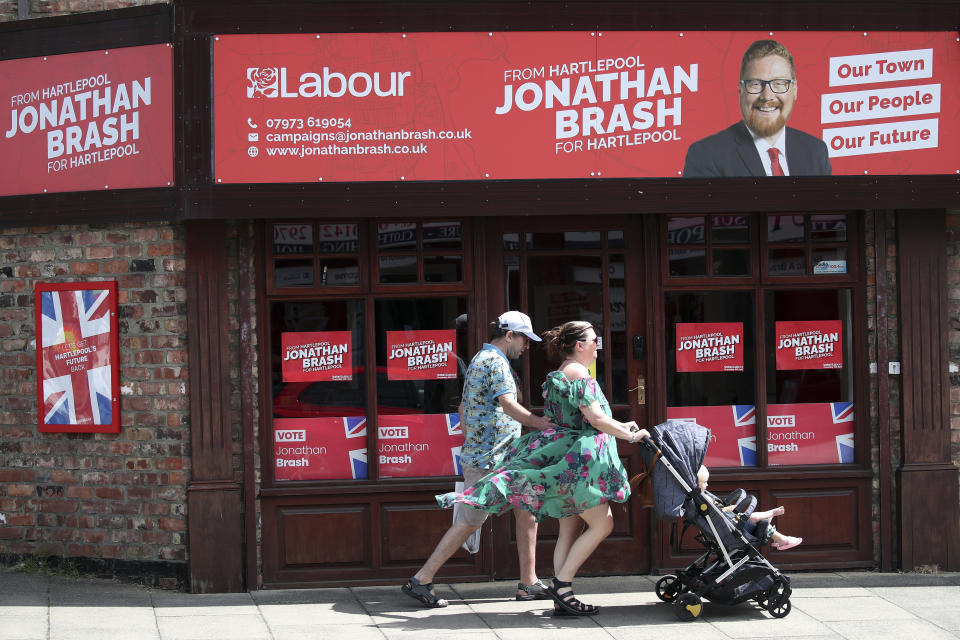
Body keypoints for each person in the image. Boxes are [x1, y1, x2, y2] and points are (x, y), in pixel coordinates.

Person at [438, 320, 651, 616]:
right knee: (604, 524)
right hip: (581, 462)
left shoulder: (560, 373)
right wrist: (630, 435)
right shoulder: (580, 375)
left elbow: (585, 417)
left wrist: (622, 425)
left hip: (566, 457)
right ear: (580, 345)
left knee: (570, 525)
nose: (597, 345)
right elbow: (595, 419)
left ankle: (560, 593)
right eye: (594, 340)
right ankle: (562, 586)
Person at [402, 311, 557, 608]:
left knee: (527, 511)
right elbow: (509, 406)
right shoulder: (496, 362)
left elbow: (462, 408)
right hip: (490, 459)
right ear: (509, 335)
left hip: (502, 455)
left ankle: (528, 582)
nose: (527, 346)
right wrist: (540, 424)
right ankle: (421, 580)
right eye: (524, 339)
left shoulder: (479, 359)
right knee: (470, 520)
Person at [683, 39, 832, 177]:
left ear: (795, 90)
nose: (767, 96)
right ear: (741, 91)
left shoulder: (816, 151)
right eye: (755, 84)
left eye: (779, 83)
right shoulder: (706, 156)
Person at [697, 465, 803, 550]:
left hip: (728, 525)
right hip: (730, 529)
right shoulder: (704, 499)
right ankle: (774, 517)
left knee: (759, 522)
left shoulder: (700, 498)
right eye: (704, 482)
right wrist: (729, 509)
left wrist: (729, 508)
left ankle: (781, 538)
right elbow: (717, 512)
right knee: (754, 518)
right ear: (697, 483)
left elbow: (717, 511)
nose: (707, 485)